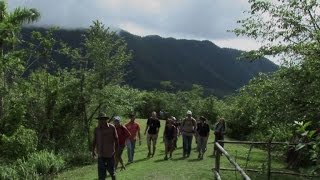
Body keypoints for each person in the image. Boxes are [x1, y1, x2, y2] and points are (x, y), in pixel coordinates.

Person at [92, 112, 119, 180]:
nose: (101, 121)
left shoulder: (112, 127)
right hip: (100, 155)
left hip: (110, 154)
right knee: (101, 175)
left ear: (106, 119)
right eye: (100, 119)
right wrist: (93, 151)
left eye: (103, 119)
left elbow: (116, 139)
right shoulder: (96, 129)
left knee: (112, 173)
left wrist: (116, 151)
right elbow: (94, 140)